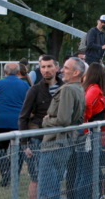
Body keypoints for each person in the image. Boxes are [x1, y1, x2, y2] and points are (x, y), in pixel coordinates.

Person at [37, 57, 86, 199]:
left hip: (54, 144)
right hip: (65, 143)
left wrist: (46, 121)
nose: (62, 70)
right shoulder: (79, 89)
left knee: (47, 189)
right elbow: (78, 119)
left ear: (76, 72)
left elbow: (64, 119)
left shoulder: (67, 89)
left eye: (66, 68)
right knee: (53, 185)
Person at [18, 55, 64, 199]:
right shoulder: (35, 90)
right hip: (40, 140)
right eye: (43, 67)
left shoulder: (65, 89)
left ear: (56, 68)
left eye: (49, 66)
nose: (46, 70)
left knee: (57, 178)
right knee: (47, 180)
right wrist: (24, 144)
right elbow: (23, 117)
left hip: (61, 139)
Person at [74, 63, 105, 199]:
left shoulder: (94, 92)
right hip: (89, 137)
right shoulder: (94, 89)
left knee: (82, 172)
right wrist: (86, 120)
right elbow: (86, 104)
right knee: (86, 173)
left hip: (86, 135)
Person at [0, 63, 30, 186]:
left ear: (5, 72)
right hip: (18, 122)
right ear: (19, 72)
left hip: (1, 121)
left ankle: (5, 171)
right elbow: (28, 104)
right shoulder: (25, 85)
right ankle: (14, 175)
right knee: (17, 150)